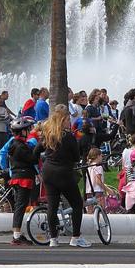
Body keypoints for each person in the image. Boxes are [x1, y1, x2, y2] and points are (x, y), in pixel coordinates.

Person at [33, 104, 91, 248]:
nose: (69, 122)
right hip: (64, 173)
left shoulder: (48, 135)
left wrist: (42, 160)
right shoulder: (69, 137)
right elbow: (76, 157)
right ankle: (75, 237)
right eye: (67, 119)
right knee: (77, 203)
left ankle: (53, 239)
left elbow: (35, 151)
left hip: (48, 172)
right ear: (63, 120)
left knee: (52, 206)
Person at [7, 116, 39, 246]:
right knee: (20, 206)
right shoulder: (21, 146)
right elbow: (33, 159)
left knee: (20, 205)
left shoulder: (16, 144)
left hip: (18, 176)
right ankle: (16, 236)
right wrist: (38, 148)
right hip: (23, 177)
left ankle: (18, 234)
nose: (28, 132)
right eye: (26, 130)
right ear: (22, 131)